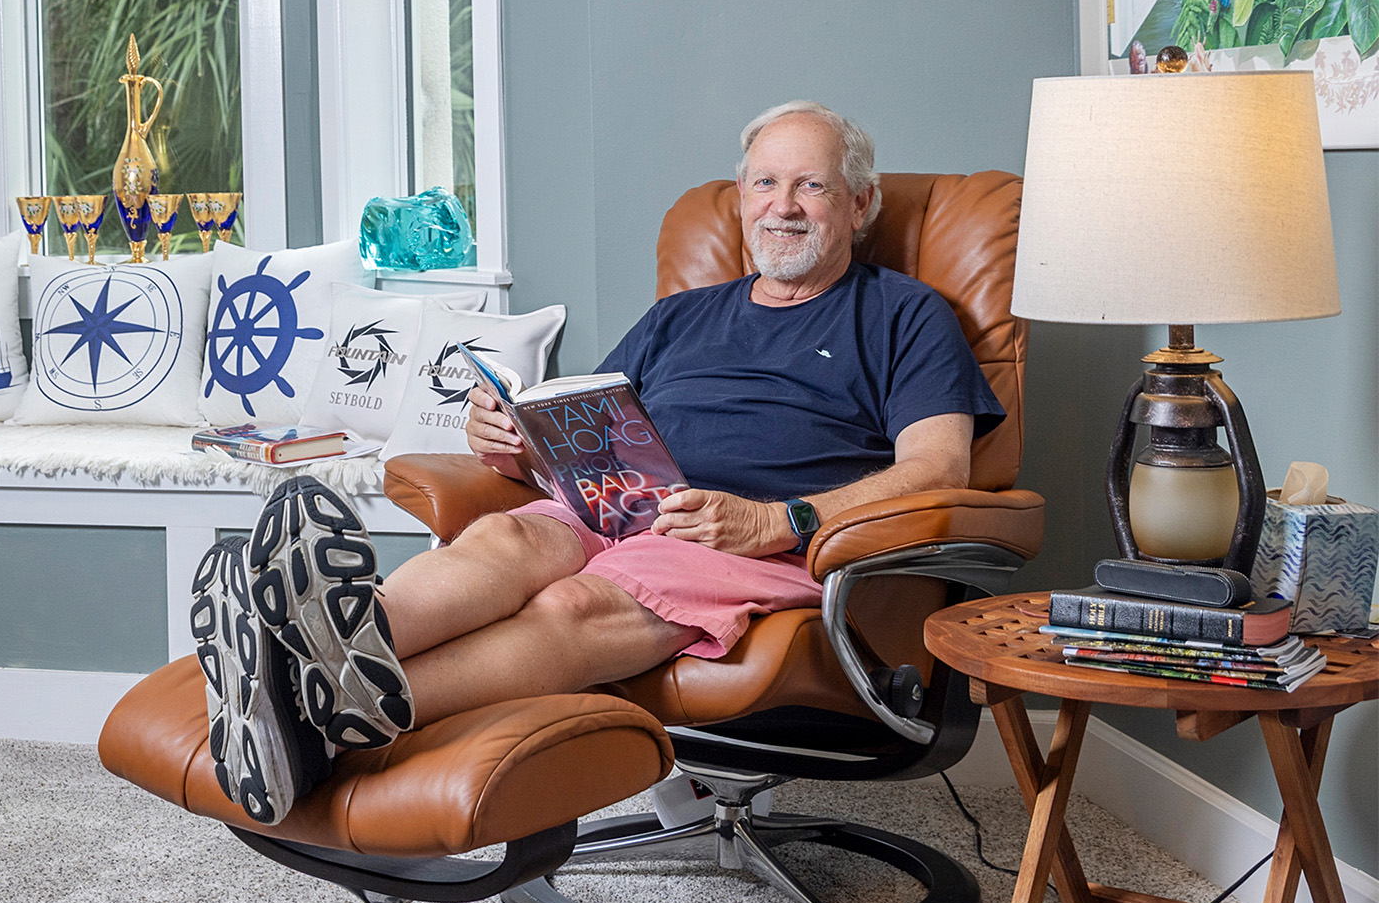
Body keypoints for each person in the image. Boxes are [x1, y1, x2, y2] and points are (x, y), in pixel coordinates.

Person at [194, 101, 1006, 825]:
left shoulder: (906, 316)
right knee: (499, 544)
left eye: (811, 187)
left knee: (576, 607)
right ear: (743, 200)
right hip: (617, 507)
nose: (782, 207)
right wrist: (513, 444)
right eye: (763, 185)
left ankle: (300, 710)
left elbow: (939, 470)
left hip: (759, 542)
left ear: (861, 204)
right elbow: (587, 425)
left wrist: (775, 520)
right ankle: (303, 653)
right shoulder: (679, 317)